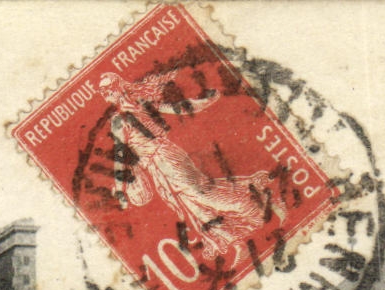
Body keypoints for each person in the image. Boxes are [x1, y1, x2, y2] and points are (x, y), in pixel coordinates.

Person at [98, 71, 277, 263]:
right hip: (160, 164)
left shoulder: (120, 120)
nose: (104, 94)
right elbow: (179, 108)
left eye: (106, 90)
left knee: (201, 194)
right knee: (193, 208)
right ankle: (237, 243)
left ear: (116, 89)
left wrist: (119, 186)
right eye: (103, 91)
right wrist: (205, 102)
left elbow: (120, 155)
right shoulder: (140, 104)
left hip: (164, 160)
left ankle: (253, 207)